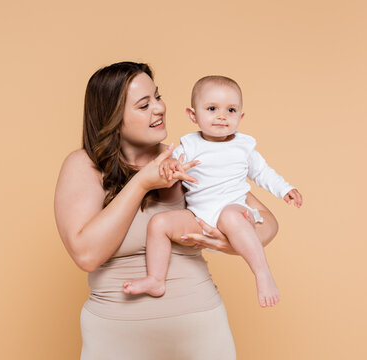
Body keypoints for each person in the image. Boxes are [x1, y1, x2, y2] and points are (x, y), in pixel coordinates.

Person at [54, 62, 279, 359]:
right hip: (115, 333)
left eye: (157, 97)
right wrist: (143, 183)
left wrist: (228, 242)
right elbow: (86, 254)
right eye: (144, 105)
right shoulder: (83, 165)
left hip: (201, 326)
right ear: (112, 117)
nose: (159, 109)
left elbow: (267, 224)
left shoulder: (183, 158)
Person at [123, 75, 303, 307]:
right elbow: (172, 164)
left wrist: (285, 189)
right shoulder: (189, 145)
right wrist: (169, 165)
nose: (221, 116)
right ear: (193, 115)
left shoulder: (243, 146)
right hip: (200, 218)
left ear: (241, 116)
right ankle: (156, 279)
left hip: (236, 212)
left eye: (231, 110)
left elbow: (263, 173)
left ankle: (262, 273)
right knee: (159, 223)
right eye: (211, 108)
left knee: (229, 215)